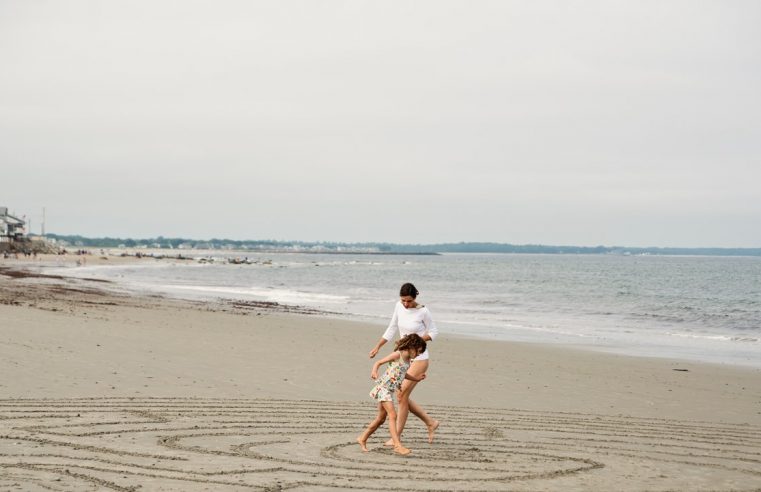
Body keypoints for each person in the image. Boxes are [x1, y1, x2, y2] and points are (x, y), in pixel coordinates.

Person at [368, 282, 440, 446]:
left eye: (409, 301)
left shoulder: (423, 311)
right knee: (401, 396)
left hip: (419, 358)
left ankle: (397, 437)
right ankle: (430, 422)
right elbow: (392, 328)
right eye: (403, 300)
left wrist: (415, 340)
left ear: (415, 297)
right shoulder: (398, 306)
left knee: (401, 396)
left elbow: (434, 332)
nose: (406, 304)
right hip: (403, 356)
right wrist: (378, 347)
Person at [358, 334, 428, 455]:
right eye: (418, 351)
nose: (418, 355)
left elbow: (403, 373)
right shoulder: (398, 355)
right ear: (412, 347)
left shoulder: (408, 360)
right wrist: (374, 371)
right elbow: (378, 362)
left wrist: (416, 379)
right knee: (393, 415)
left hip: (389, 390)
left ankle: (362, 438)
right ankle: (397, 445)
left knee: (381, 419)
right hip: (383, 388)